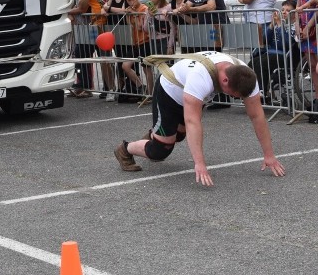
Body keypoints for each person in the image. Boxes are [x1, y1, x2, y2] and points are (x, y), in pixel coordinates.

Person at [113, 52, 286, 186]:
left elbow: (257, 116)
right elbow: (193, 121)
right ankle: (125, 149)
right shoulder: (200, 78)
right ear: (225, 80)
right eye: (235, 96)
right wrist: (200, 164)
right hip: (168, 93)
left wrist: (269, 155)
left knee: (179, 136)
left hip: (189, 95)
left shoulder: (245, 76)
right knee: (160, 151)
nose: (238, 99)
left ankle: (157, 135)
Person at [120, 0, 154, 102]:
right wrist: (128, 14)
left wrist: (134, 13)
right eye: (129, 1)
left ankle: (150, 93)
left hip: (145, 41)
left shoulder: (143, 8)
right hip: (135, 43)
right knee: (125, 66)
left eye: (133, 0)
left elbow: (140, 27)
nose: (131, 2)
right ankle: (140, 86)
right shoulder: (130, 9)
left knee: (146, 69)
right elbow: (130, 25)